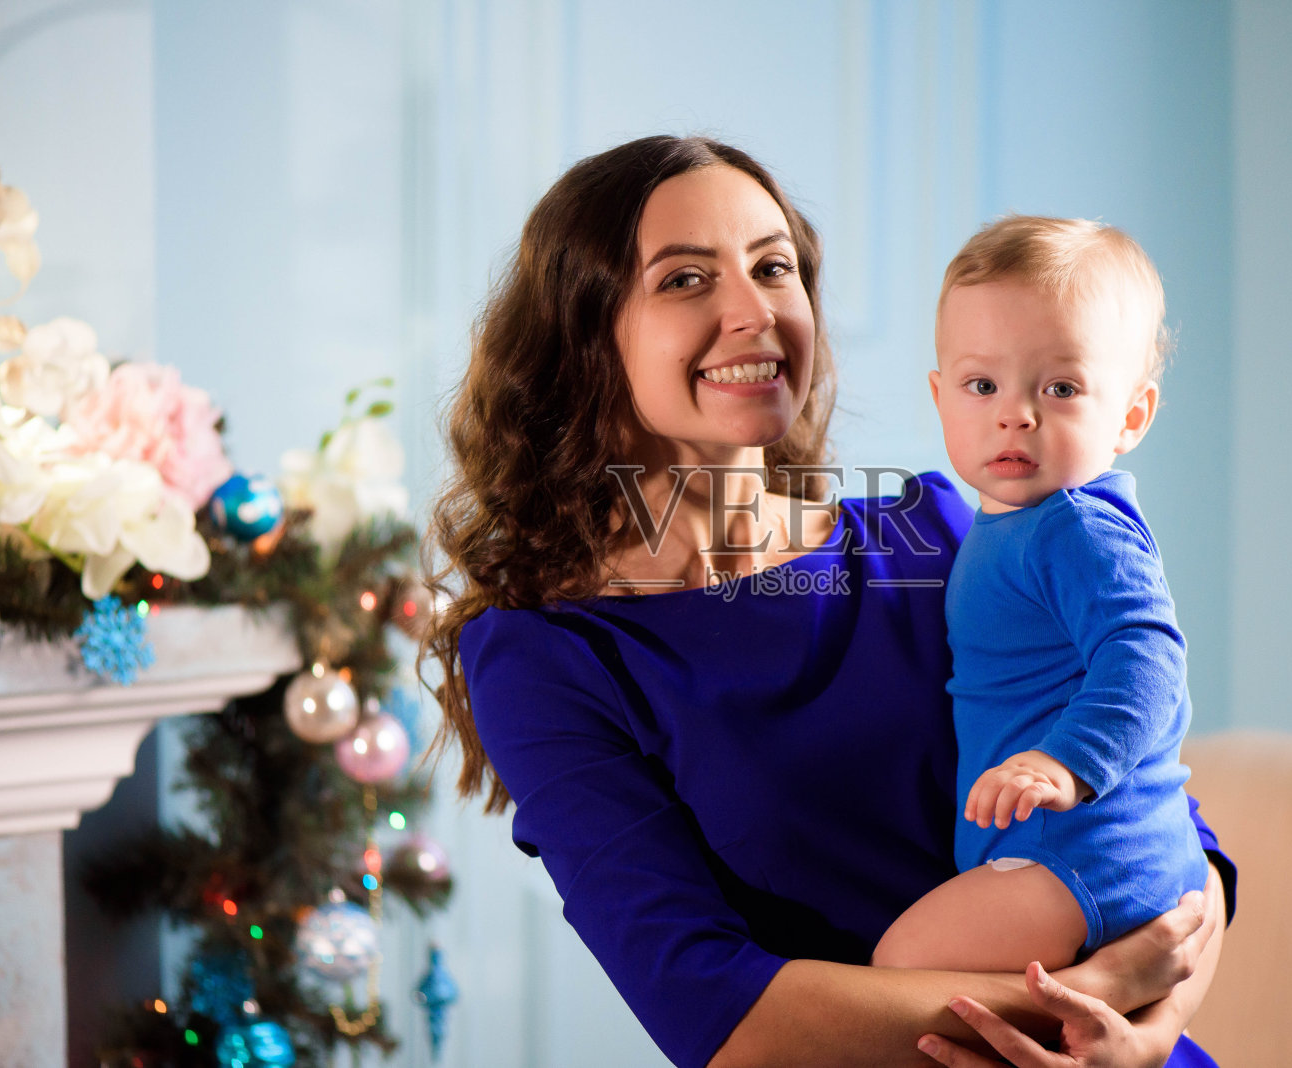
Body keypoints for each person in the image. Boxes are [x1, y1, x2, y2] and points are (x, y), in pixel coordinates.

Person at [421, 135, 1235, 1068]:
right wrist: (1082, 1001)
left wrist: (1147, 1033)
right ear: (585, 336)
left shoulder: (931, 532)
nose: (753, 310)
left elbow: (1164, 826)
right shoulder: (545, 656)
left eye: (774, 268)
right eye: (686, 280)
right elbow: (718, 1013)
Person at [872, 217, 1210, 980]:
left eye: (1060, 388)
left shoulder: (1077, 529)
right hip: (1052, 851)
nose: (1014, 412)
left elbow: (1148, 657)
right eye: (981, 385)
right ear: (941, 396)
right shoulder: (1011, 525)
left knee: (905, 969)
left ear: (1130, 416)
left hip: (1088, 851)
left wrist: (1067, 764)